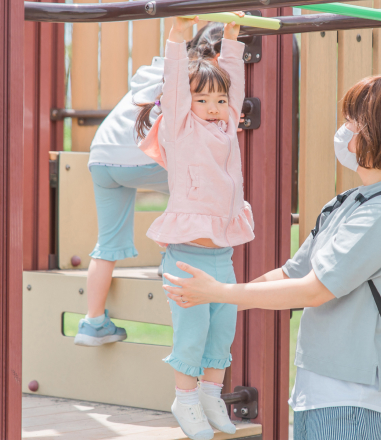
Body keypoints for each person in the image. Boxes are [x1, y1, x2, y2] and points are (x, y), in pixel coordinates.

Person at [161, 74, 381, 440]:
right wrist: (206, 302)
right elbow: (290, 274)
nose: (344, 131)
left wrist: (219, 294)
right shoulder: (349, 203)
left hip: (355, 404)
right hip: (316, 395)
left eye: (352, 122)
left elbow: (312, 291)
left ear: (376, 133)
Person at [74, 21, 234, 348]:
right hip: (141, 155)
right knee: (194, 184)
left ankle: (92, 323)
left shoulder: (161, 67)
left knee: (107, 244)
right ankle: (169, 261)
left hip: (102, 156)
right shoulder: (195, 80)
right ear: (217, 56)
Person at [136, 14, 253, 440]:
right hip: (186, 255)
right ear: (187, 103)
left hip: (221, 255)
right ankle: (184, 399)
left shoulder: (226, 127)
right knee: (193, 333)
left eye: (219, 101)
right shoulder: (182, 128)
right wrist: (177, 35)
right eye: (203, 100)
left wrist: (233, 41)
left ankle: (209, 396)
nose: (214, 107)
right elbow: (175, 84)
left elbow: (233, 86)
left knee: (222, 331)